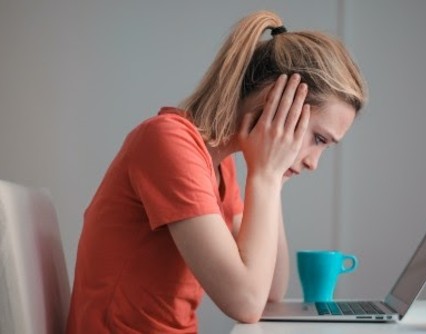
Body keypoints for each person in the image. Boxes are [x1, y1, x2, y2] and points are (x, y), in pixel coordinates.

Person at [66, 9, 367, 334]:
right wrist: (265, 176)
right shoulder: (168, 142)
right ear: (276, 102)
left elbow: (269, 292)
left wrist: (273, 179)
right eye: (318, 139)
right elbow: (246, 302)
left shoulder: (220, 164)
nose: (313, 162)